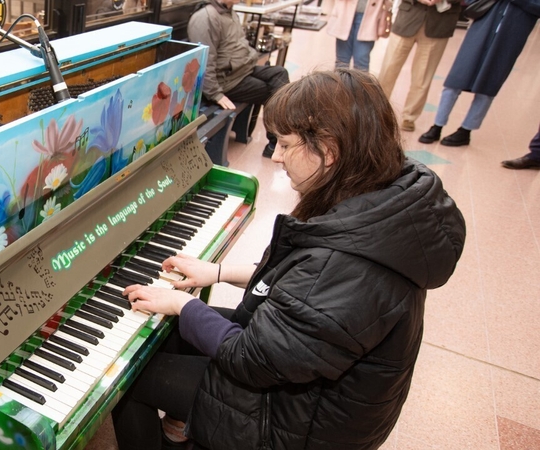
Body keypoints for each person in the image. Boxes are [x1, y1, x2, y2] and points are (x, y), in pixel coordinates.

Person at [111, 68, 466, 450]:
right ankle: (182, 425)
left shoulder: (347, 266)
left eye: (284, 144)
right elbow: (300, 290)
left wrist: (183, 304)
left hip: (297, 424)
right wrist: (216, 272)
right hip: (302, 376)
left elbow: (251, 357)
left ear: (329, 150)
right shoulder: (382, 197)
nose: (276, 157)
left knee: (128, 382)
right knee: (172, 329)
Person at [418, 0, 540, 146]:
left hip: (510, 38)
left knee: (488, 86)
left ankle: (465, 131)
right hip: (481, 29)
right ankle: (437, 125)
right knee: (455, 80)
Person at [187, 0, 290, 158]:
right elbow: (203, 61)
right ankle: (277, 143)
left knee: (280, 73)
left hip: (243, 69)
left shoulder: (229, 12)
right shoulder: (205, 17)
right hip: (226, 80)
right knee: (271, 92)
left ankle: (282, 137)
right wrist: (215, 94)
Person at [376, 0, 462, 132]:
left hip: (439, 23)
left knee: (423, 76)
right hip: (407, 17)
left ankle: (409, 117)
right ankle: (376, 110)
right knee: (388, 69)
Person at [326, 0, 392, 72]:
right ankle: (339, 82)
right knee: (342, 61)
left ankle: (360, 83)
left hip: (371, 16)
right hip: (345, 12)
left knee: (361, 60)